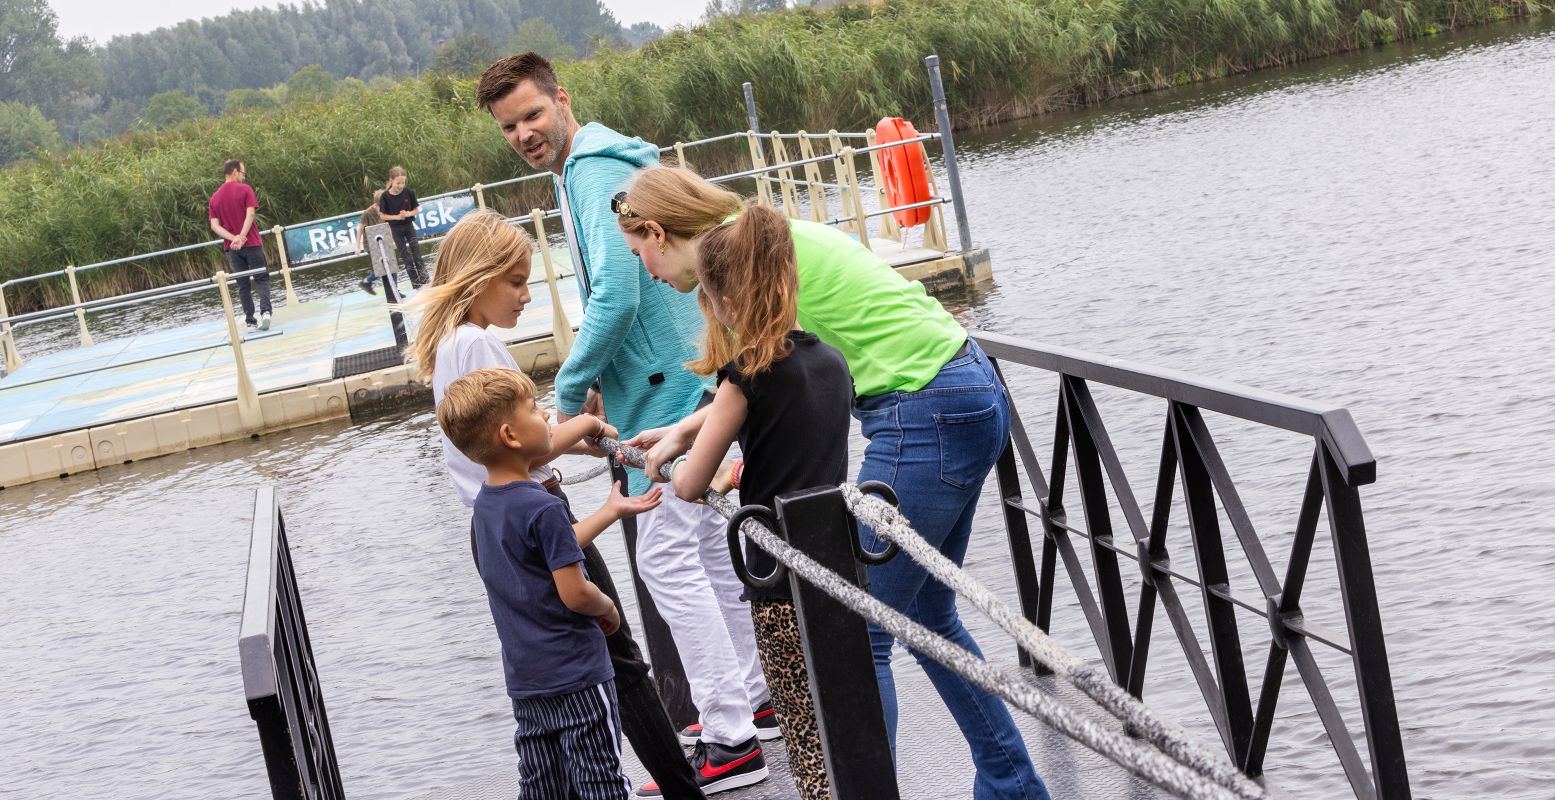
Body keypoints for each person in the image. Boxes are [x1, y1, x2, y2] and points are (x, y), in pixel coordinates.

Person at [620, 167, 1052, 800]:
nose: (649, 273)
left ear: (659, 232)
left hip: (921, 407)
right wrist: (688, 431)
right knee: (926, 612)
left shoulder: (742, 260)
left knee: (855, 632)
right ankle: (1011, 782)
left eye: (641, 256)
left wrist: (694, 436)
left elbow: (756, 372)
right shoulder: (761, 238)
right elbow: (770, 368)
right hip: (964, 384)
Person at [476, 53, 773, 797]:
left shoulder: (591, 174)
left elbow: (616, 296)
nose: (524, 133)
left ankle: (732, 737)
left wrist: (572, 389)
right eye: (509, 126)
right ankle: (751, 697)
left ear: (561, 100)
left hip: (665, 392)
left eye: (532, 115)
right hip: (686, 375)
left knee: (668, 561)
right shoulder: (600, 163)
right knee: (705, 553)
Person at [405, 209, 706, 800]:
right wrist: (589, 421)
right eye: (516, 282)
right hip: (536, 505)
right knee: (620, 657)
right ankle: (680, 789)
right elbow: (527, 442)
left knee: (560, 663)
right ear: (478, 279)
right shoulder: (478, 343)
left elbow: (514, 440)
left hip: (493, 518)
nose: (525, 295)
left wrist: (571, 434)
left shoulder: (447, 345)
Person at [661, 204, 851, 800]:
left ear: (721, 297)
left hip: (776, 575)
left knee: (800, 723)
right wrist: (741, 469)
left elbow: (690, 484)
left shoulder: (744, 375)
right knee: (844, 712)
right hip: (837, 560)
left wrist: (679, 459)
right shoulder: (831, 362)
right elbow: (801, 445)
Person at [437, 366, 639, 800]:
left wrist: (609, 511)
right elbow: (574, 591)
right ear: (511, 436)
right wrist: (606, 607)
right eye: (534, 410)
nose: (546, 416)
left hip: (527, 680)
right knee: (601, 780)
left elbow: (542, 558)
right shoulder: (543, 506)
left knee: (542, 784)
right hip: (578, 672)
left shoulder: (486, 509)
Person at [207, 159, 273, 330]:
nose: (244, 177)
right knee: (262, 278)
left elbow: (214, 225)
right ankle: (265, 312)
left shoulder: (214, 198)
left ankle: (250, 319)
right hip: (251, 243)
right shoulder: (245, 189)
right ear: (235, 172)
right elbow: (250, 215)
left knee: (243, 284)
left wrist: (233, 239)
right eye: (243, 173)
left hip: (232, 249)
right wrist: (242, 236)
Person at [379, 165, 429, 287]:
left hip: (409, 226)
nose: (401, 186)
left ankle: (426, 281)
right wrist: (396, 217)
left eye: (403, 183)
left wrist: (408, 214)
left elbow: (416, 210)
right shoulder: (385, 196)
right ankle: (416, 284)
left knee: (417, 254)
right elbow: (383, 216)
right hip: (396, 229)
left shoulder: (409, 192)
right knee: (406, 258)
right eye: (398, 183)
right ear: (391, 181)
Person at [354, 189, 385, 294]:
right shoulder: (367, 213)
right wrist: (357, 247)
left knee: (390, 266)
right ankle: (365, 282)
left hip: (383, 241)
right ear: (376, 205)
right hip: (370, 244)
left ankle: (394, 290)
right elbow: (359, 230)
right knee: (381, 269)